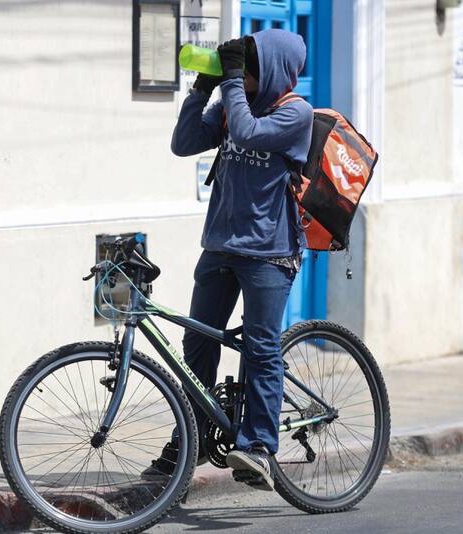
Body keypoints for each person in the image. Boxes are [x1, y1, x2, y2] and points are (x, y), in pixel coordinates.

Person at [144, 29, 312, 491]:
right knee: (197, 344)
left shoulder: (295, 112)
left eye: (252, 65)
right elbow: (183, 142)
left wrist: (233, 80)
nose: (243, 72)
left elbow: (247, 131)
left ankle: (259, 446)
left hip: (268, 251)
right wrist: (201, 89)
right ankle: (194, 437)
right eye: (243, 64)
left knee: (261, 348)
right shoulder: (233, 103)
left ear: (274, 69)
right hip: (220, 244)